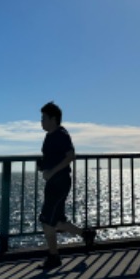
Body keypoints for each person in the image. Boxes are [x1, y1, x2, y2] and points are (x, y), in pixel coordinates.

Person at [38, 101, 96, 270]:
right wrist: (44, 166)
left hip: (60, 182)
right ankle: (86, 234)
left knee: (46, 220)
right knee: (57, 221)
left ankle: (54, 257)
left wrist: (52, 171)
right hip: (53, 182)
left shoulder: (62, 135)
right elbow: (54, 157)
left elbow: (70, 156)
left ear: (53, 119)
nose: (41, 121)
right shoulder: (49, 136)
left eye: (44, 118)